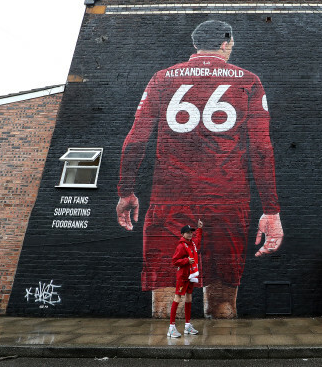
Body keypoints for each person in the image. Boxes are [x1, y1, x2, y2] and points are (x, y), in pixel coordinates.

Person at [117, 19, 284, 318]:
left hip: (170, 199)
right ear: (225, 42)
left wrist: (126, 191)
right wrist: (271, 210)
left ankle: (165, 355)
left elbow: (135, 141)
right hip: (227, 200)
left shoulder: (162, 78)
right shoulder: (248, 80)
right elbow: (261, 148)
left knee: (168, 301)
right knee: (223, 304)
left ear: (196, 45)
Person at [167, 220, 203, 338]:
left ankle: (187, 325)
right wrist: (187, 261)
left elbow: (198, 240)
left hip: (191, 275)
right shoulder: (181, 246)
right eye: (187, 233)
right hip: (183, 276)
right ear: (182, 234)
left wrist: (199, 229)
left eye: (191, 232)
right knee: (177, 297)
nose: (190, 234)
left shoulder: (192, 244)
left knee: (189, 297)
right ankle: (171, 328)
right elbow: (174, 261)